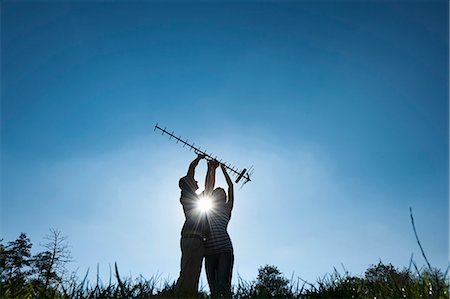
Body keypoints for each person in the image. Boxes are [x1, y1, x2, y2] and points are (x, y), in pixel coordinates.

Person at [174, 154, 215, 298]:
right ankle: (178, 295)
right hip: (191, 238)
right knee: (187, 272)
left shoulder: (196, 198)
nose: (195, 181)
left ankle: (188, 295)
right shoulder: (186, 195)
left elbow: (209, 188)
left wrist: (211, 169)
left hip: (197, 240)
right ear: (188, 183)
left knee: (193, 273)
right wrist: (198, 160)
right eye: (193, 180)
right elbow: (191, 171)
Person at [204, 163, 235, 298]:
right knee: (213, 290)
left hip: (224, 250)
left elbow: (231, 187)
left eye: (221, 192)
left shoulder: (227, 208)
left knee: (224, 285)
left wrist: (224, 171)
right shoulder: (208, 208)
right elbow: (208, 187)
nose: (219, 192)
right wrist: (212, 170)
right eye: (217, 192)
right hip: (209, 251)